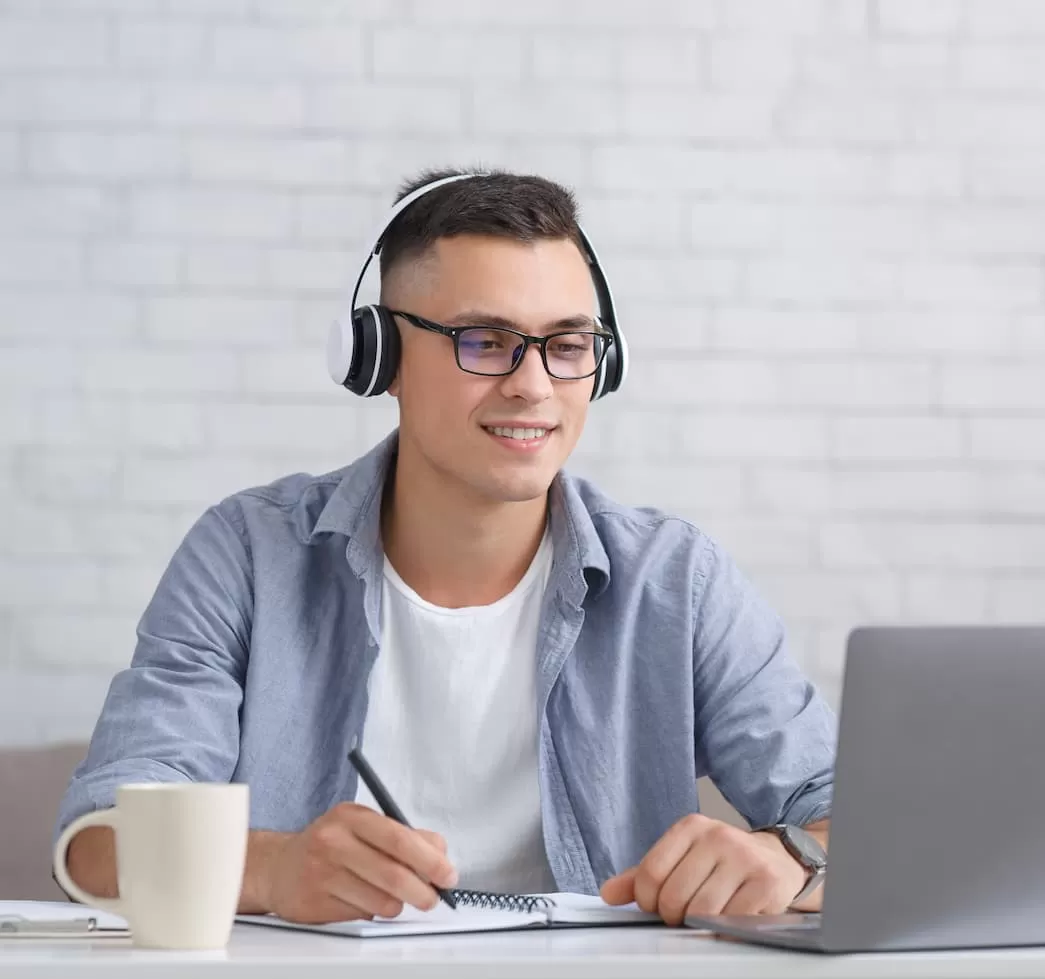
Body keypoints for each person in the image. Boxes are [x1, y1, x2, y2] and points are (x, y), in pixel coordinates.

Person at [58, 170, 835, 926]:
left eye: (567, 345)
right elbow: (97, 842)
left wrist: (793, 857)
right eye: (485, 341)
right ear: (381, 359)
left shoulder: (676, 579)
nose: (534, 384)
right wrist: (270, 867)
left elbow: (866, 818)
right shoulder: (249, 555)